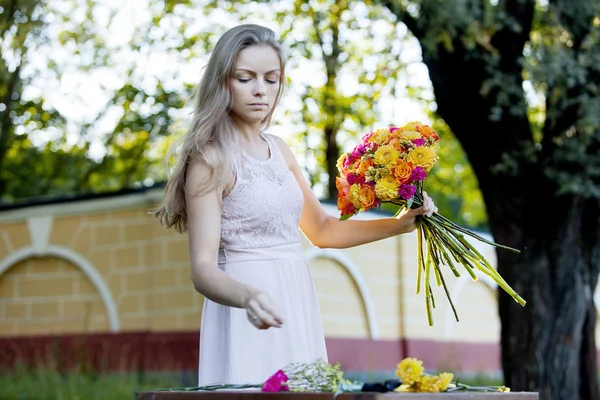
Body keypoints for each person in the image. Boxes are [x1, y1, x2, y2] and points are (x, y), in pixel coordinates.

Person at [151, 23, 437, 386]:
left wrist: (401, 223)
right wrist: (249, 296)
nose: (260, 90)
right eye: (245, 78)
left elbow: (322, 230)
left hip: (296, 297)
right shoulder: (210, 159)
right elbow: (203, 270)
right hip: (247, 308)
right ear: (222, 81)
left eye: (271, 79)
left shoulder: (280, 149)